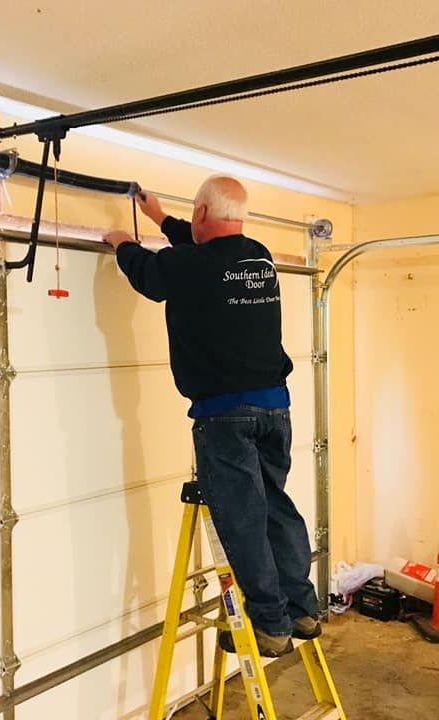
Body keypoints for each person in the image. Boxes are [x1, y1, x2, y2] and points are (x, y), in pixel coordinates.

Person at [102, 175, 320, 657]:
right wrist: (160, 217)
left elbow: (151, 274)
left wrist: (122, 244)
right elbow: (203, 257)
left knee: (243, 519)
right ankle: (302, 609)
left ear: (201, 213)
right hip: (274, 407)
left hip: (225, 416)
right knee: (276, 507)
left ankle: (270, 624)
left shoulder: (186, 266)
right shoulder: (258, 256)